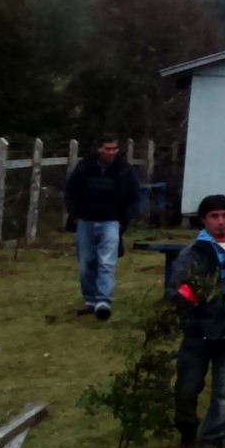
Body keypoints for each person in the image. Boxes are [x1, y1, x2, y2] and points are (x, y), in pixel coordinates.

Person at [169, 194, 225, 448]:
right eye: (214, 216)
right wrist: (195, 308)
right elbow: (178, 290)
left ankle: (212, 439)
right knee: (188, 387)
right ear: (203, 220)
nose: (221, 222)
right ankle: (187, 428)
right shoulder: (193, 253)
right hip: (199, 333)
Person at [64, 133, 141, 321]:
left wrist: (124, 219)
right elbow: (71, 191)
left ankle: (103, 302)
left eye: (115, 148)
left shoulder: (124, 170)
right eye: (108, 149)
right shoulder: (84, 167)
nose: (112, 152)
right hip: (86, 220)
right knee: (86, 263)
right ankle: (90, 301)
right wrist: (74, 213)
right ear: (99, 149)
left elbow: (134, 195)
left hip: (111, 221)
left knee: (107, 262)